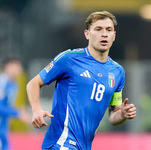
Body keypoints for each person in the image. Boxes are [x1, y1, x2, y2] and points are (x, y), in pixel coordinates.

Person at [26, 11, 136, 150]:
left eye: (109, 30)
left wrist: (123, 115)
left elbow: (113, 115)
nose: (104, 34)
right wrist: (36, 110)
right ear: (87, 34)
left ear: (114, 36)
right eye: (98, 29)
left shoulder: (117, 72)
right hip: (61, 142)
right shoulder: (69, 59)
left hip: (84, 146)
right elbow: (33, 83)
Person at [0, 56, 30, 150]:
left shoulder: (14, 84)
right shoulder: (2, 82)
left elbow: (7, 106)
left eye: (19, 67)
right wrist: (18, 113)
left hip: (3, 126)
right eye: (15, 66)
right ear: (7, 67)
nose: (18, 69)